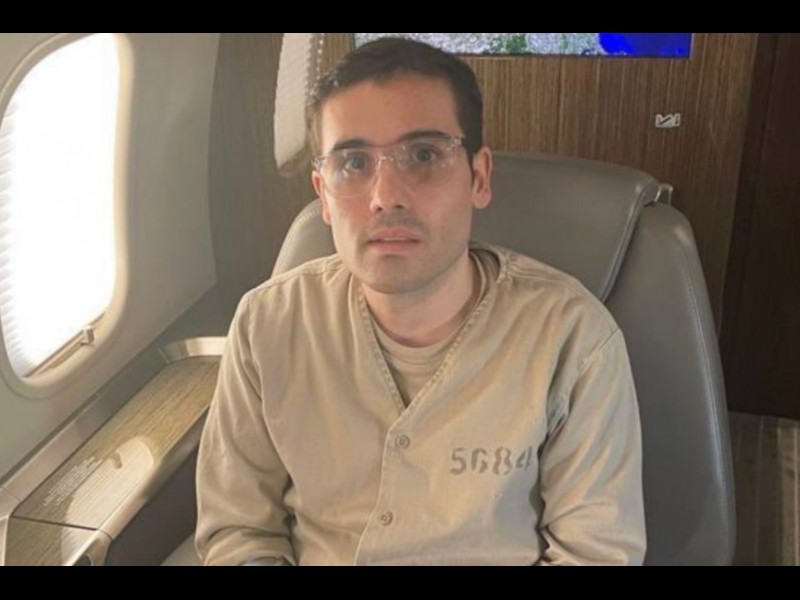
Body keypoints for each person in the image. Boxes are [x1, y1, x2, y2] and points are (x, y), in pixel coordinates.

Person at [195, 37, 646, 566]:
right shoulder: (266, 326)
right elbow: (240, 528)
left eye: (424, 155)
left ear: (478, 178)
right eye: (353, 162)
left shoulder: (573, 339)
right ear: (323, 195)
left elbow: (594, 553)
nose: (386, 196)